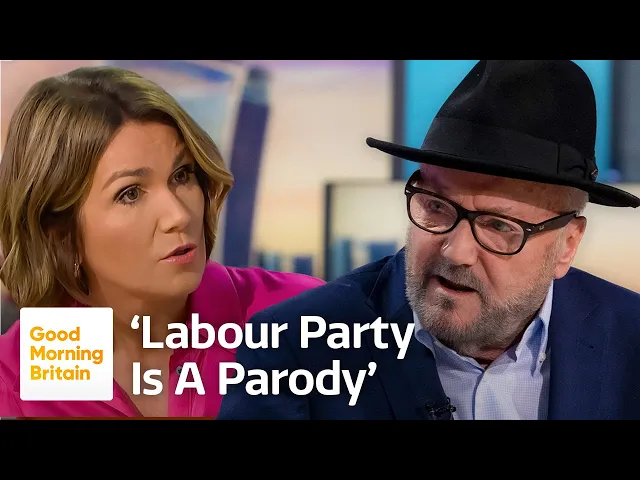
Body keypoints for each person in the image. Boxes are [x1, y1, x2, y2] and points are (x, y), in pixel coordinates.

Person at [217, 60, 640, 420]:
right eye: (436, 206)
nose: (456, 251)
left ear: (567, 244)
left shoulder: (631, 338)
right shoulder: (294, 345)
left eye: (499, 226)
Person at [0, 66, 325, 418]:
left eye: (181, 175)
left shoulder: (306, 318)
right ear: (58, 231)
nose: (178, 215)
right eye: (130, 193)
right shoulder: (21, 375)